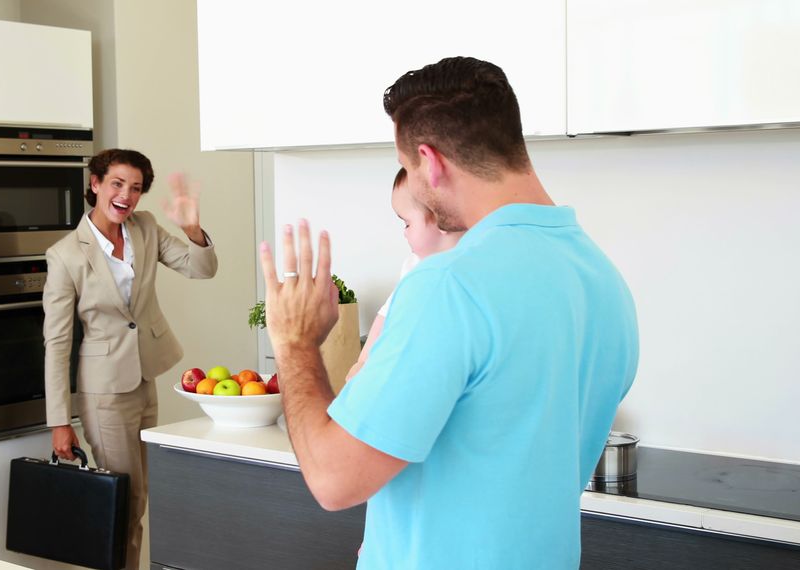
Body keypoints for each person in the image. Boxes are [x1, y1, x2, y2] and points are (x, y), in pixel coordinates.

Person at [259, 57, 639, 569]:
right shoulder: (602, 279)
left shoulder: (448, 285)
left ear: (429, 161)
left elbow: (333, 479)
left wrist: (294, 343)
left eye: (410, 171)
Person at [42, 148, 217, 570]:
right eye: (117, 184)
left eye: (135, 188)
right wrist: (60, 421)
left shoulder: (145, 229)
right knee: (123, 500)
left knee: (136, 498)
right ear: (95, 184)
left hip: (143, 377)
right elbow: (57, 341)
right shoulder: (66, 254)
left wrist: (192, 228)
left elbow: (202, 269)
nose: (126, 195)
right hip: (103, 390)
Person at [346, 167, 462, 380]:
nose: (404, 232)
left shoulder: (469, 267)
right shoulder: (413, 266)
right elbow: (386, 315)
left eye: (407, 223)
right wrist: (363, 362)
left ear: (441, 219)